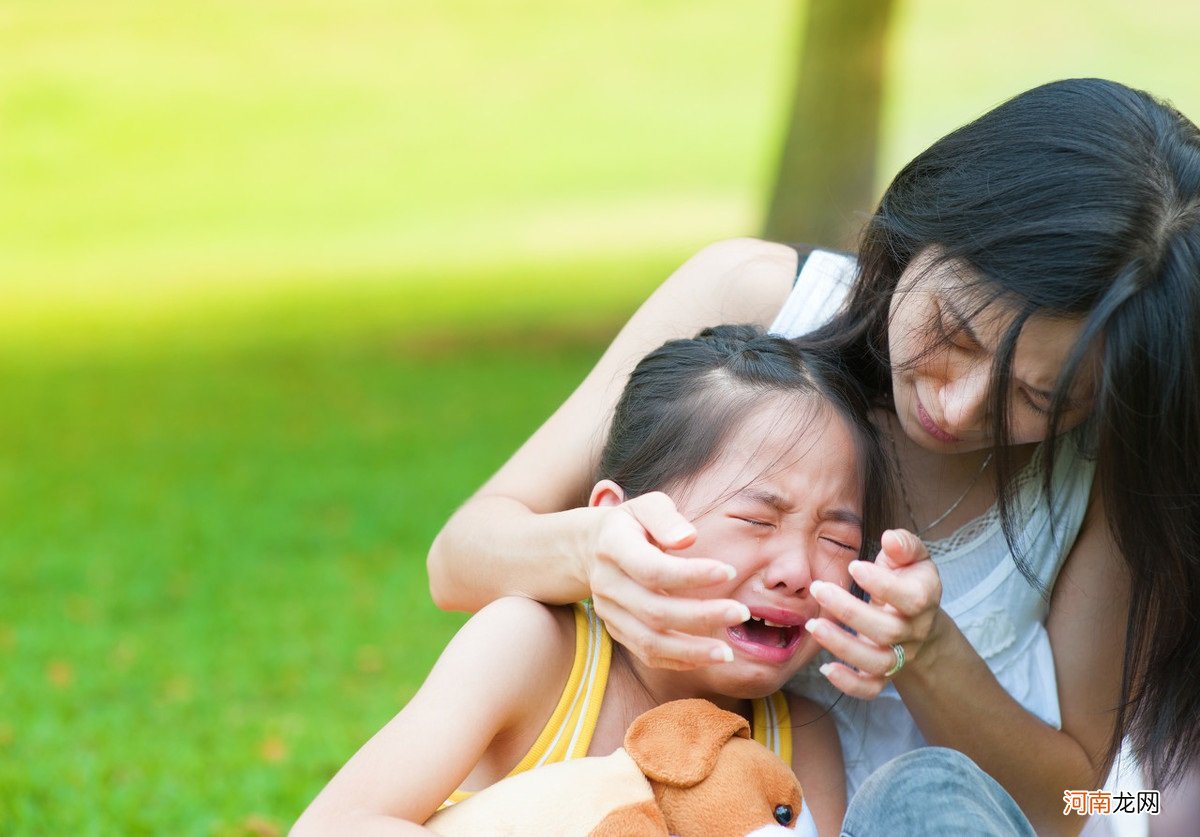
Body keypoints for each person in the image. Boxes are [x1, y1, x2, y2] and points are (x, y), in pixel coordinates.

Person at [426, 78, 1200, 835]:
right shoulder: (754, 302)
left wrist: (929, 657)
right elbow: (458, 559)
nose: (956, 406)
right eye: (954, 332)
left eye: (1037, 399)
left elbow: (1082, 805)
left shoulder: (1108, 472)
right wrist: (597, 552)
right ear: (923, 225)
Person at [294, 325, 898, 836]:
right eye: (755, 519)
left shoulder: (798, 741)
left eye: (837, 540)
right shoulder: (531, 652)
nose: (796, 571)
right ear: (621, 519)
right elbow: (334, 826)